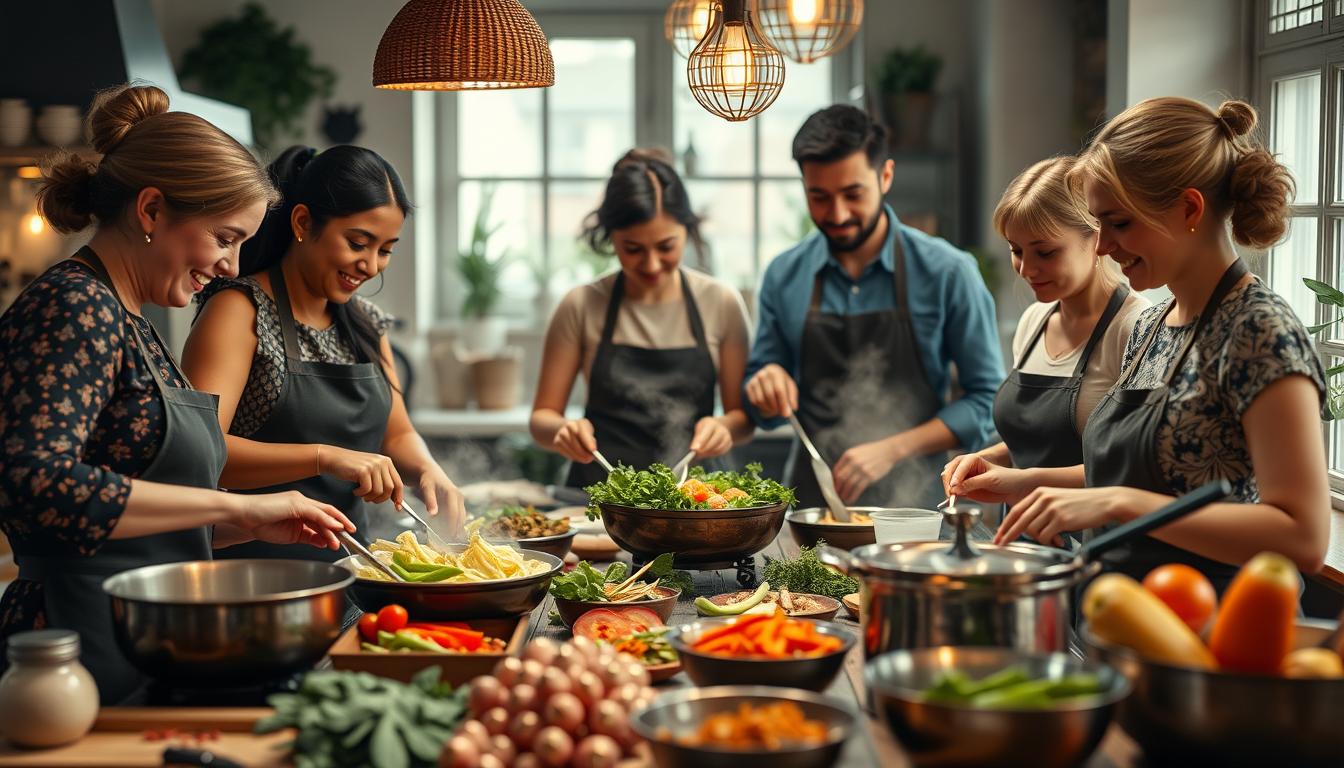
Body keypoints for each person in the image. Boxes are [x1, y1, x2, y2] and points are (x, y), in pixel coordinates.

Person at [0, 85, 354, 704]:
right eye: (223, 237)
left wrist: (252, 527)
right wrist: (235, 508)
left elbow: (141, 524)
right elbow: (39, 485)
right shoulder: (75, 306)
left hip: (144, 637)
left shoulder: (130, 318)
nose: (230, 265)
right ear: (152, 210)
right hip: (73, 656)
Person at [996, 97, 1330, 592]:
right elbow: (1148, 477)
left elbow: (1303, 538)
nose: (1103, 245)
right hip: (1123, 621)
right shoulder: (1155, 324)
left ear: (1190, 209)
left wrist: (1121, 503)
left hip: (1215, 634)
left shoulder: (1259, 332)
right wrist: (1023, 482)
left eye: (1119, 223)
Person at [183, 145, 465, 559]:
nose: (370, 265)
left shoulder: (366, 322)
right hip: (257, 575)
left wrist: (427, 470)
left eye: (385, 249)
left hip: (357, 568)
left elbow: (398, 432)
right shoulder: (237, 309)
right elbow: (202, 450)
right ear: (302, 222)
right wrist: (324, 458)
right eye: (358, 243)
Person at [744, 105, 1004, 509]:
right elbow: (762, 410)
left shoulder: (948, 272)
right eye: (819, 197)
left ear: (885, 176)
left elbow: (987, 401)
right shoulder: (784, 275)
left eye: (852, 194)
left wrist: (894, 448)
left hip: (916, 506)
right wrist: (766, 384)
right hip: (811, 506)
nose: (838, 214)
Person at [531, 149, 754, 486]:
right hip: (600, 499)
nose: (651, 264)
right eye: (632, 249)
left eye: (666, 247)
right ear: (610, 237)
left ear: (688, 231)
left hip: (693, 497)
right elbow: (541, 419)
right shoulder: (580, 305)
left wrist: (724, 428)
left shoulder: (721, 303)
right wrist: (564, 430)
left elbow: (743, 419)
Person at [942, 157, 1149, 515]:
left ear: (1096, 237)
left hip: (1094, 544)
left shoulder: (1136, 327)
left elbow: (1132, 470)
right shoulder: (1034, 321)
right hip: (1028, 538)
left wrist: (1024, 481)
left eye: (1045, 252)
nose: (1026, 269)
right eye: (1016, 250)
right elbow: (1039, 443)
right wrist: (983, 459)